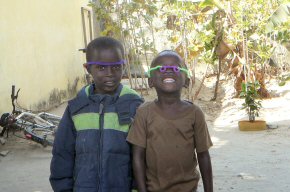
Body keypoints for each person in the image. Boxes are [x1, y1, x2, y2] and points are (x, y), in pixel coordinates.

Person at [50, 36, 144, 192]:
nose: (109, 73)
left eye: (116, 67)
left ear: (124, 66)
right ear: (88, 68)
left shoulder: (135, 105)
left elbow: (141, 156)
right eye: (101, 67)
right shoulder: (77, 107)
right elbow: (62, 153)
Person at [127, 50, 213, 192]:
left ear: (186, 81)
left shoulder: (194, 113)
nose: (168, 71)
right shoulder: (143, 113)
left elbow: (203, 155)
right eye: (161, 68)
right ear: (150, 81)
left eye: (175, 68)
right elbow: (137, 156)